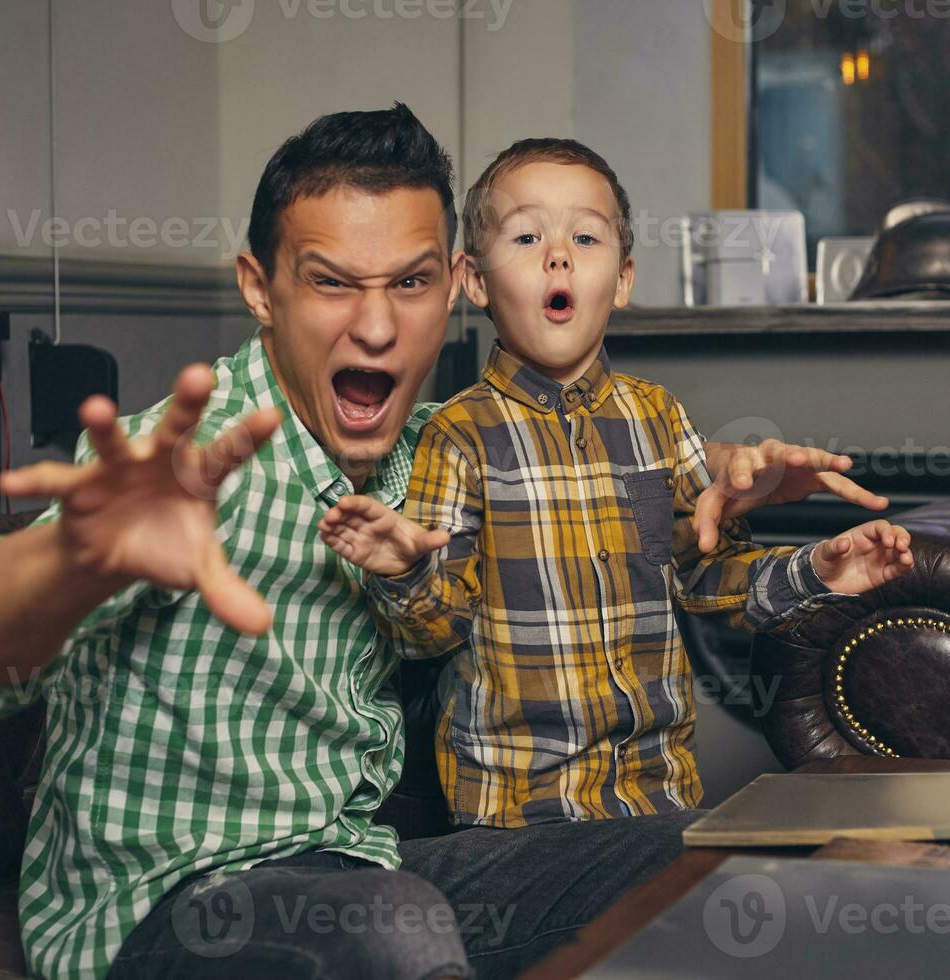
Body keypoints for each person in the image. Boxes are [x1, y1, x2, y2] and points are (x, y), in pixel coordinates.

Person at [0, 106, 890, 980]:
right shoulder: (190, 457)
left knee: (718, 851)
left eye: (409, 283)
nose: (376, 326)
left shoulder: (441, 444)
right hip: (170, 899)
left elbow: (574, 460)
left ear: (456, 283)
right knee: (391, 925)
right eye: (332, 283)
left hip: (365, 863)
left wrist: (720, 468)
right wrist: (74, 554)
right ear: (260, 287)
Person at [320, 138, 914, 829]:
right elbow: (430, 633)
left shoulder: (657, 418)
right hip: (515, 816)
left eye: (585, 236)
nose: (558, 255)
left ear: (623, 279)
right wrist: (401, 570)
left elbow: (705, 581)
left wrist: (815, 569)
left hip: (657, 795)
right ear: (475, 280)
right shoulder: (461, 436)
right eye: (526, 235)